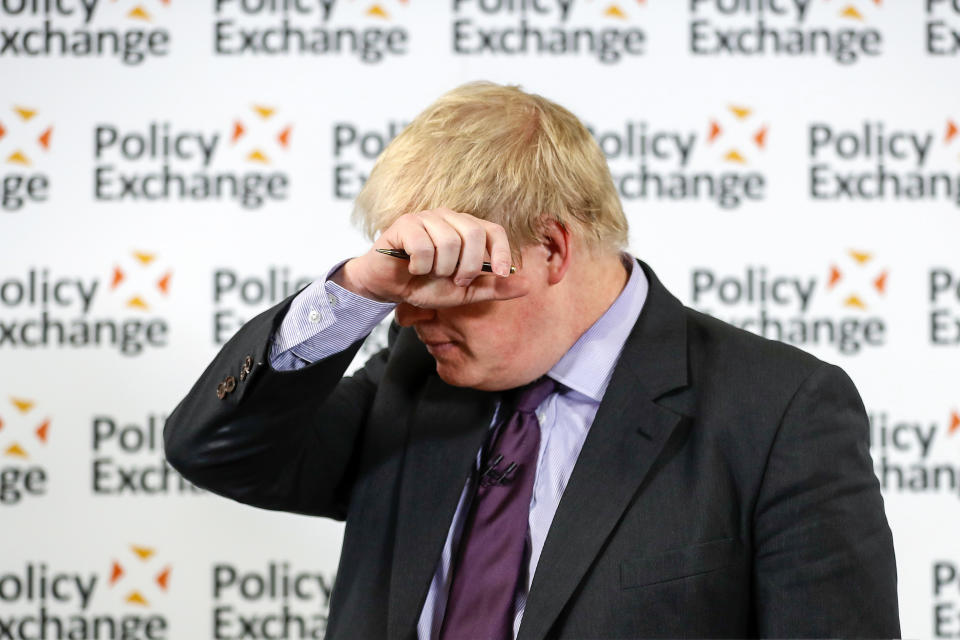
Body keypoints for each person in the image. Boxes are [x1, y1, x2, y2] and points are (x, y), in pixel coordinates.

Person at [164, 82, 900, 639]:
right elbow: (217, 450)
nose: (416, 316)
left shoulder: (778, 412)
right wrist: (356, 291)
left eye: (451, 283)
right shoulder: (410, 379)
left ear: (551, 248)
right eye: (406, 279)